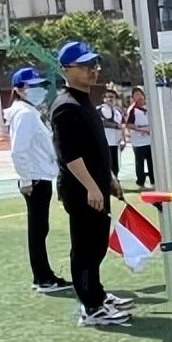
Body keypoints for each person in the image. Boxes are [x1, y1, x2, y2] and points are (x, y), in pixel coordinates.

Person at [50, 40, 133, 327]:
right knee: (85, 248)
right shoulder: (65, 107)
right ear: (67, 70)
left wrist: (108, 178)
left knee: (97, 245)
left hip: (96, 186)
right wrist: (91, 186)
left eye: (94, 65)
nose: (92, 71)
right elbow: (70, 155)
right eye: (85, 66)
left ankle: (96, 294)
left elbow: (96, 148)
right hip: (82, 191)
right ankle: (91, 307)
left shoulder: (85, 101)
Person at [5, 66, 69, 293]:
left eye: (39, 85)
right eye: (31, 86)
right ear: (19, 90)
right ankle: (42, 277)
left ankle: (44, 274)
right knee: (38, 229)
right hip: (35, 179)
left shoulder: (28, 112)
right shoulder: (25, 114)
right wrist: (25, 179)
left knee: (40, 228)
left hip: (39, 176)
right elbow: (18, 151)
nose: (37, 90)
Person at [124, 86, 153, 190]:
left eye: (140, 94)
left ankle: (153, 181)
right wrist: (141, 129)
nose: (139, 96)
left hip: (150, 140)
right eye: (136, 95)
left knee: (152, 161)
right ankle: (141, 182)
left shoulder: (149, 107)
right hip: (138, 141)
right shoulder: (133, 110)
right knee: (140, 162)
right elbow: (129, 124)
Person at [97, 87, 125, 180]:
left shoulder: (117, 112)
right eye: (108, 96)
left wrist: (123, 139)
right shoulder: (100, 109)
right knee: (105, 164)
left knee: (115, 165)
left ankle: (115, 181)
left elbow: (122, 126)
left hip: (115, 142)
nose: (110, 99)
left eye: (112, 97)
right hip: (104, 141)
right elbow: (102, 122)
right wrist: (116, 126)